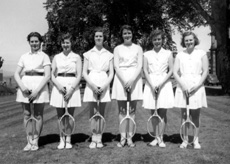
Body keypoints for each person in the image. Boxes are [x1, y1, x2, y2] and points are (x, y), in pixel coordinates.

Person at [14, 32, 51, 151]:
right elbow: (16, 74)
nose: (34, 43)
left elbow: (47, 75)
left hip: (39, 87)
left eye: (36, 41)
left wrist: (36, 91)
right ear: (29, 42)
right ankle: (29, 140)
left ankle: (35, 141)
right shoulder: (24, 56)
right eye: (32, 41)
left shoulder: (44, 56)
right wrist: (23, 88)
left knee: (38, 115)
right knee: (26, 114)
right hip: (25, 86)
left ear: (40, 42)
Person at [173, 31, 208, 149]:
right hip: (183, 87)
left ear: (195, 40)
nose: (188, 42)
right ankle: (185, 140)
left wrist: (197, 86)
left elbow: (205, 72)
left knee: (195, 115)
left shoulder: (202, 53)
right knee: (184, 115)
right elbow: (175, 72)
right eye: (186, 40)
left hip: (197, 87)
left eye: (190, 40)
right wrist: (183, 85)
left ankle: (196, 140)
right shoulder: (179, 55)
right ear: (183, 42)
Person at [112, 25, 143, 147]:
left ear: (132, 34)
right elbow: (116, 66)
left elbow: (139, 65)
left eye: (129, 33)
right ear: (122, 35)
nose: (127, 35)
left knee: (132, 110)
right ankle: (122, 137)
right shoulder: (117, 48)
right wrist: (125, 81)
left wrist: (132, 80)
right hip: (120, 79)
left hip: (135, 78)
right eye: (125, 33)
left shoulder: (138, 48)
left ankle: (130, 137)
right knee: (122, 110)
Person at [82, 27, 114, 149]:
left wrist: (105, 86)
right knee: (93, 112)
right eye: (96, 36)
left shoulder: (109, 55)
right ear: (94, 38)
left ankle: (99, 138)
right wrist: (93, 86)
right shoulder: (88, 54)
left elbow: (111, 73)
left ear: (103, 38)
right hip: (92, 83)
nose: (98, 38)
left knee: (101, 112)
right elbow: (84, 72)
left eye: (100, 36)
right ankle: (93, 137)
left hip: (104, 82)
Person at [50, 33, 82, 149]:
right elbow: (52, 74)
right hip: (59, 86)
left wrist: (71, 90)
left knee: (70, 115)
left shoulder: (77, 57)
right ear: (61, 44)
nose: (65, 45)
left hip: (72, 86)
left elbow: (79, 75)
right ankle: (61, 139)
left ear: (71, 43)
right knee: (60, 116)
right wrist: (58, 86)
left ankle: (68, 139)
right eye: (63, 42)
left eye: (67, 42)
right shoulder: (56, 57)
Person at [143, 29, 174, 148]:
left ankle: (161, 138)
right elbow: (145, 70)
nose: (157, 42)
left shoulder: (168, 53)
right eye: (155, 39)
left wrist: (161, 83)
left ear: (162, 40)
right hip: (150, 83)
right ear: (152, 40)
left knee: (162, 112)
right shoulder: (146, 54)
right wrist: (151, 84)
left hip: (164, 83)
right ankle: (156, 138)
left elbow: (171, 70)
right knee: (153, 112)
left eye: (159, 39)